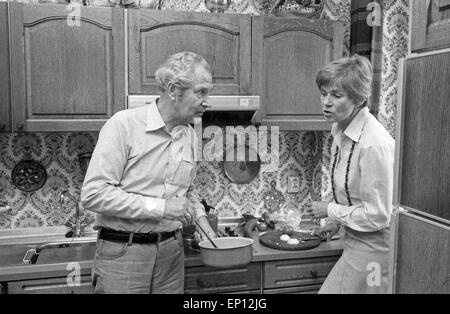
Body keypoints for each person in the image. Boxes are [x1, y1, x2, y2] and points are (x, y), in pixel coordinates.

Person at [80, 51, 217, 294]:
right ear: (174, 90)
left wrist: (202, 221)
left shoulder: (189, 134)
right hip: (124, 254)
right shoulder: (123, 125)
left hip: (172, 254)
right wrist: (162, 208)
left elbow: (188, 191)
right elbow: (94, 194)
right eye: (201, 92)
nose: (207, 101)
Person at [308, 54, 395, 294]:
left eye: (337, 96)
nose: (326, 102)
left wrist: (330, 211)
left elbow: (377, 216)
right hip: (355, 243)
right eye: (324, 93)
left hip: (376, 252)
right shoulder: (340, 129)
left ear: (358, 98)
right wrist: (336, 223)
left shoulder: (374, 144)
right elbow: (354, 196)